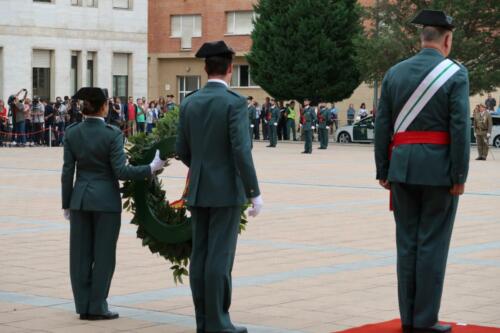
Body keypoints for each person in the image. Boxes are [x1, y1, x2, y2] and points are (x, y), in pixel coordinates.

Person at [375, 10, 470, 333]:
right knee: (432, 244)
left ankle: (407, 318)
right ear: (447, 40)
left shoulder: (395, 73)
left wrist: (383, 169)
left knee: (407, 245)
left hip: (401, 168)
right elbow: (459, 127)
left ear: (421, 38)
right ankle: (425, 320)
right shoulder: (455, 74)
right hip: (439, 172)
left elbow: (382, 125)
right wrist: (460, 176)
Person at [176, 40, 262, 333]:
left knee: (200, 256)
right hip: (226, 190)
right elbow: (241, 150)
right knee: (219, 258)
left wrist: (201, 170)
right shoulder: (235, 103)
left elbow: (182, 150)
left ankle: (203, 321)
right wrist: (254, 192)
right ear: (229, 69)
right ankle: (218, 322)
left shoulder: (188, 102)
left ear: (204, 68)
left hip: (199, 189)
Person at [62, 87, 166, 321]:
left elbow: (68, 171)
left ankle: (83, 306)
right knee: (104, 254)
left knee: (79, 255)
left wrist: (66, 203)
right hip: (105, 202)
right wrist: (150, 168)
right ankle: (98, 306)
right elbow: (121, 171)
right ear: (103, 107)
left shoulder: (72, 132)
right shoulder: (112, 134)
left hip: (79, 200)